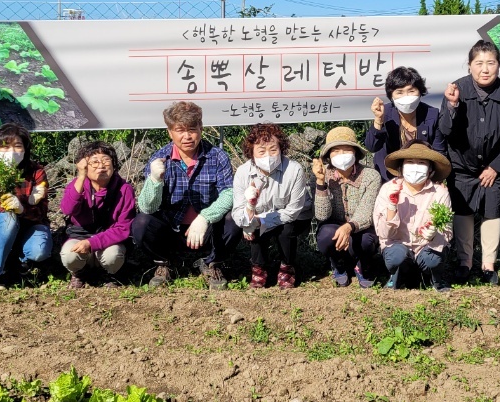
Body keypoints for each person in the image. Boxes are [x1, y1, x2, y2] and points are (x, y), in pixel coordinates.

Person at [438, 39, 500, 285]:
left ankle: (488, 264)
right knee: (462, 211)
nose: (485, 69)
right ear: (469, 66)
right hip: (462, 166)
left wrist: (496, 167)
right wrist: (452, 105)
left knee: (492, 211)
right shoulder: (457, 90)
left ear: (499, 66)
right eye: (479, 63)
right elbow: (445, 130)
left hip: (495, 167)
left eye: (491, 63)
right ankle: (464, 262)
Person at [132, 101, 238, 290]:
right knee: (141, 222)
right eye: (180, 130)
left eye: (192, 129)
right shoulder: (159, 158)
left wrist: (206, 217)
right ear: (170, 132)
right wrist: (155, 180)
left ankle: (211, 263)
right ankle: (164, 263)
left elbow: (229, 193)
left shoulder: (218, 156)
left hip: (207, 231)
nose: (187, 136)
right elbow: (148, 207)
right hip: (171, 231)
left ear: (201, 128)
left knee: (236, 218)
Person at [228, 124, 312, 289]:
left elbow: (293, 211)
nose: (268, 156)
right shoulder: (243, 173)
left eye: (273, 150)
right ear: (251, 152)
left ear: (281, 148)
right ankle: (259, 269)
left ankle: (287, 267)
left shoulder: (294, 170)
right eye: (261, 151)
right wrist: (250, 210)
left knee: (286, 228)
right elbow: (238, 213)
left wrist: (262, 220)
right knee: (255, 228)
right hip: (258, 218)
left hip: (293, 218)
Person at [0, 123, 52, 292]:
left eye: (18, 146)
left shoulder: (36, 171)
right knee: (8, 219)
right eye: (5, 147)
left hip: (30, 225)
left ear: (25, 149)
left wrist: (22, 209)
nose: (12, 152)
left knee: (39, 250)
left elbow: (41, 211)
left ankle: (20, 263)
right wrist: (26, 199)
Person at [372, 142, 454, 292]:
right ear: (401, 167)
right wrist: (392, 206)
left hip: (426, 248)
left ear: (430, 170)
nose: (415, 167)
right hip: (398, 245)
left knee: (433, 260)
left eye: (422, 163)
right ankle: (396, 276)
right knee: (396, 256)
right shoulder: (388, 189)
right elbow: (383, 234)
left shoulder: (440, 192)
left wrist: (435, 234)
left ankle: (434, 279)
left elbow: (447, 231)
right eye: (409, 162)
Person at [58, 141, 136, 289]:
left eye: (106, 160)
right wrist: (81, 177)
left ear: (114, 165)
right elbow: (68, 209)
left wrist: (91, 243)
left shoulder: (125, 189)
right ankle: (80, 272)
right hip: (79, 236)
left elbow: (123, 228)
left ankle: (111, 273)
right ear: (85, 166)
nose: (101, 165)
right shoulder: (76, 185)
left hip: (110, 239)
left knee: (113, 256)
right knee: (69, 256)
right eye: (94, 161)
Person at [312, 127, 382, 288]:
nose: (342, 155)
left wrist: (349, 227)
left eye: (347, 150)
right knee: (325, 236)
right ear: (328, 155)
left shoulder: (371, 176)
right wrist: (321, 182)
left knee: (366, 241)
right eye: (335, 151)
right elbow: (322, 215)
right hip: (333, 225)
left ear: (355, 153)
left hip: (360, 227)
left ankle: (362, 264)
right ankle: (337, 263)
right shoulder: (323, 174)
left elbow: (367, 211)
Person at [364, 66, 447, 182]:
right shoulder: (385, 113)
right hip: (389, 178)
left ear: (420, 92)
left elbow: (439, 151)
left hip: (422, 178)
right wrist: (378, 120)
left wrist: (435, 179)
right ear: (391, 96)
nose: (406, 97)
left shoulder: (432, 114)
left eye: (411, 91)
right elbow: (372, 146)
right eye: (399, 92)